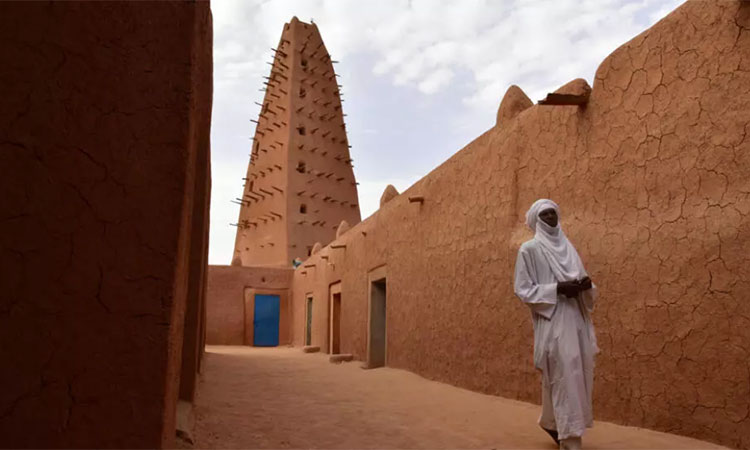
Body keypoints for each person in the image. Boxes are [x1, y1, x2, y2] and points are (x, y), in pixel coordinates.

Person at [513, 199, 599, 450]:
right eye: (545, 214)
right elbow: (523, 289)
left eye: (553, 212)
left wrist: (585, 287)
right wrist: (558, 289)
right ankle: (570, 440)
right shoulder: (528, 250)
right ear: (537, 220)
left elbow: (582, 280)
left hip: (576, 317)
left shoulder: (568, 246)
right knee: (564, 377)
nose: (551, 217)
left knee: (576, 375)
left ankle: (552, 423)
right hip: (554, 321)